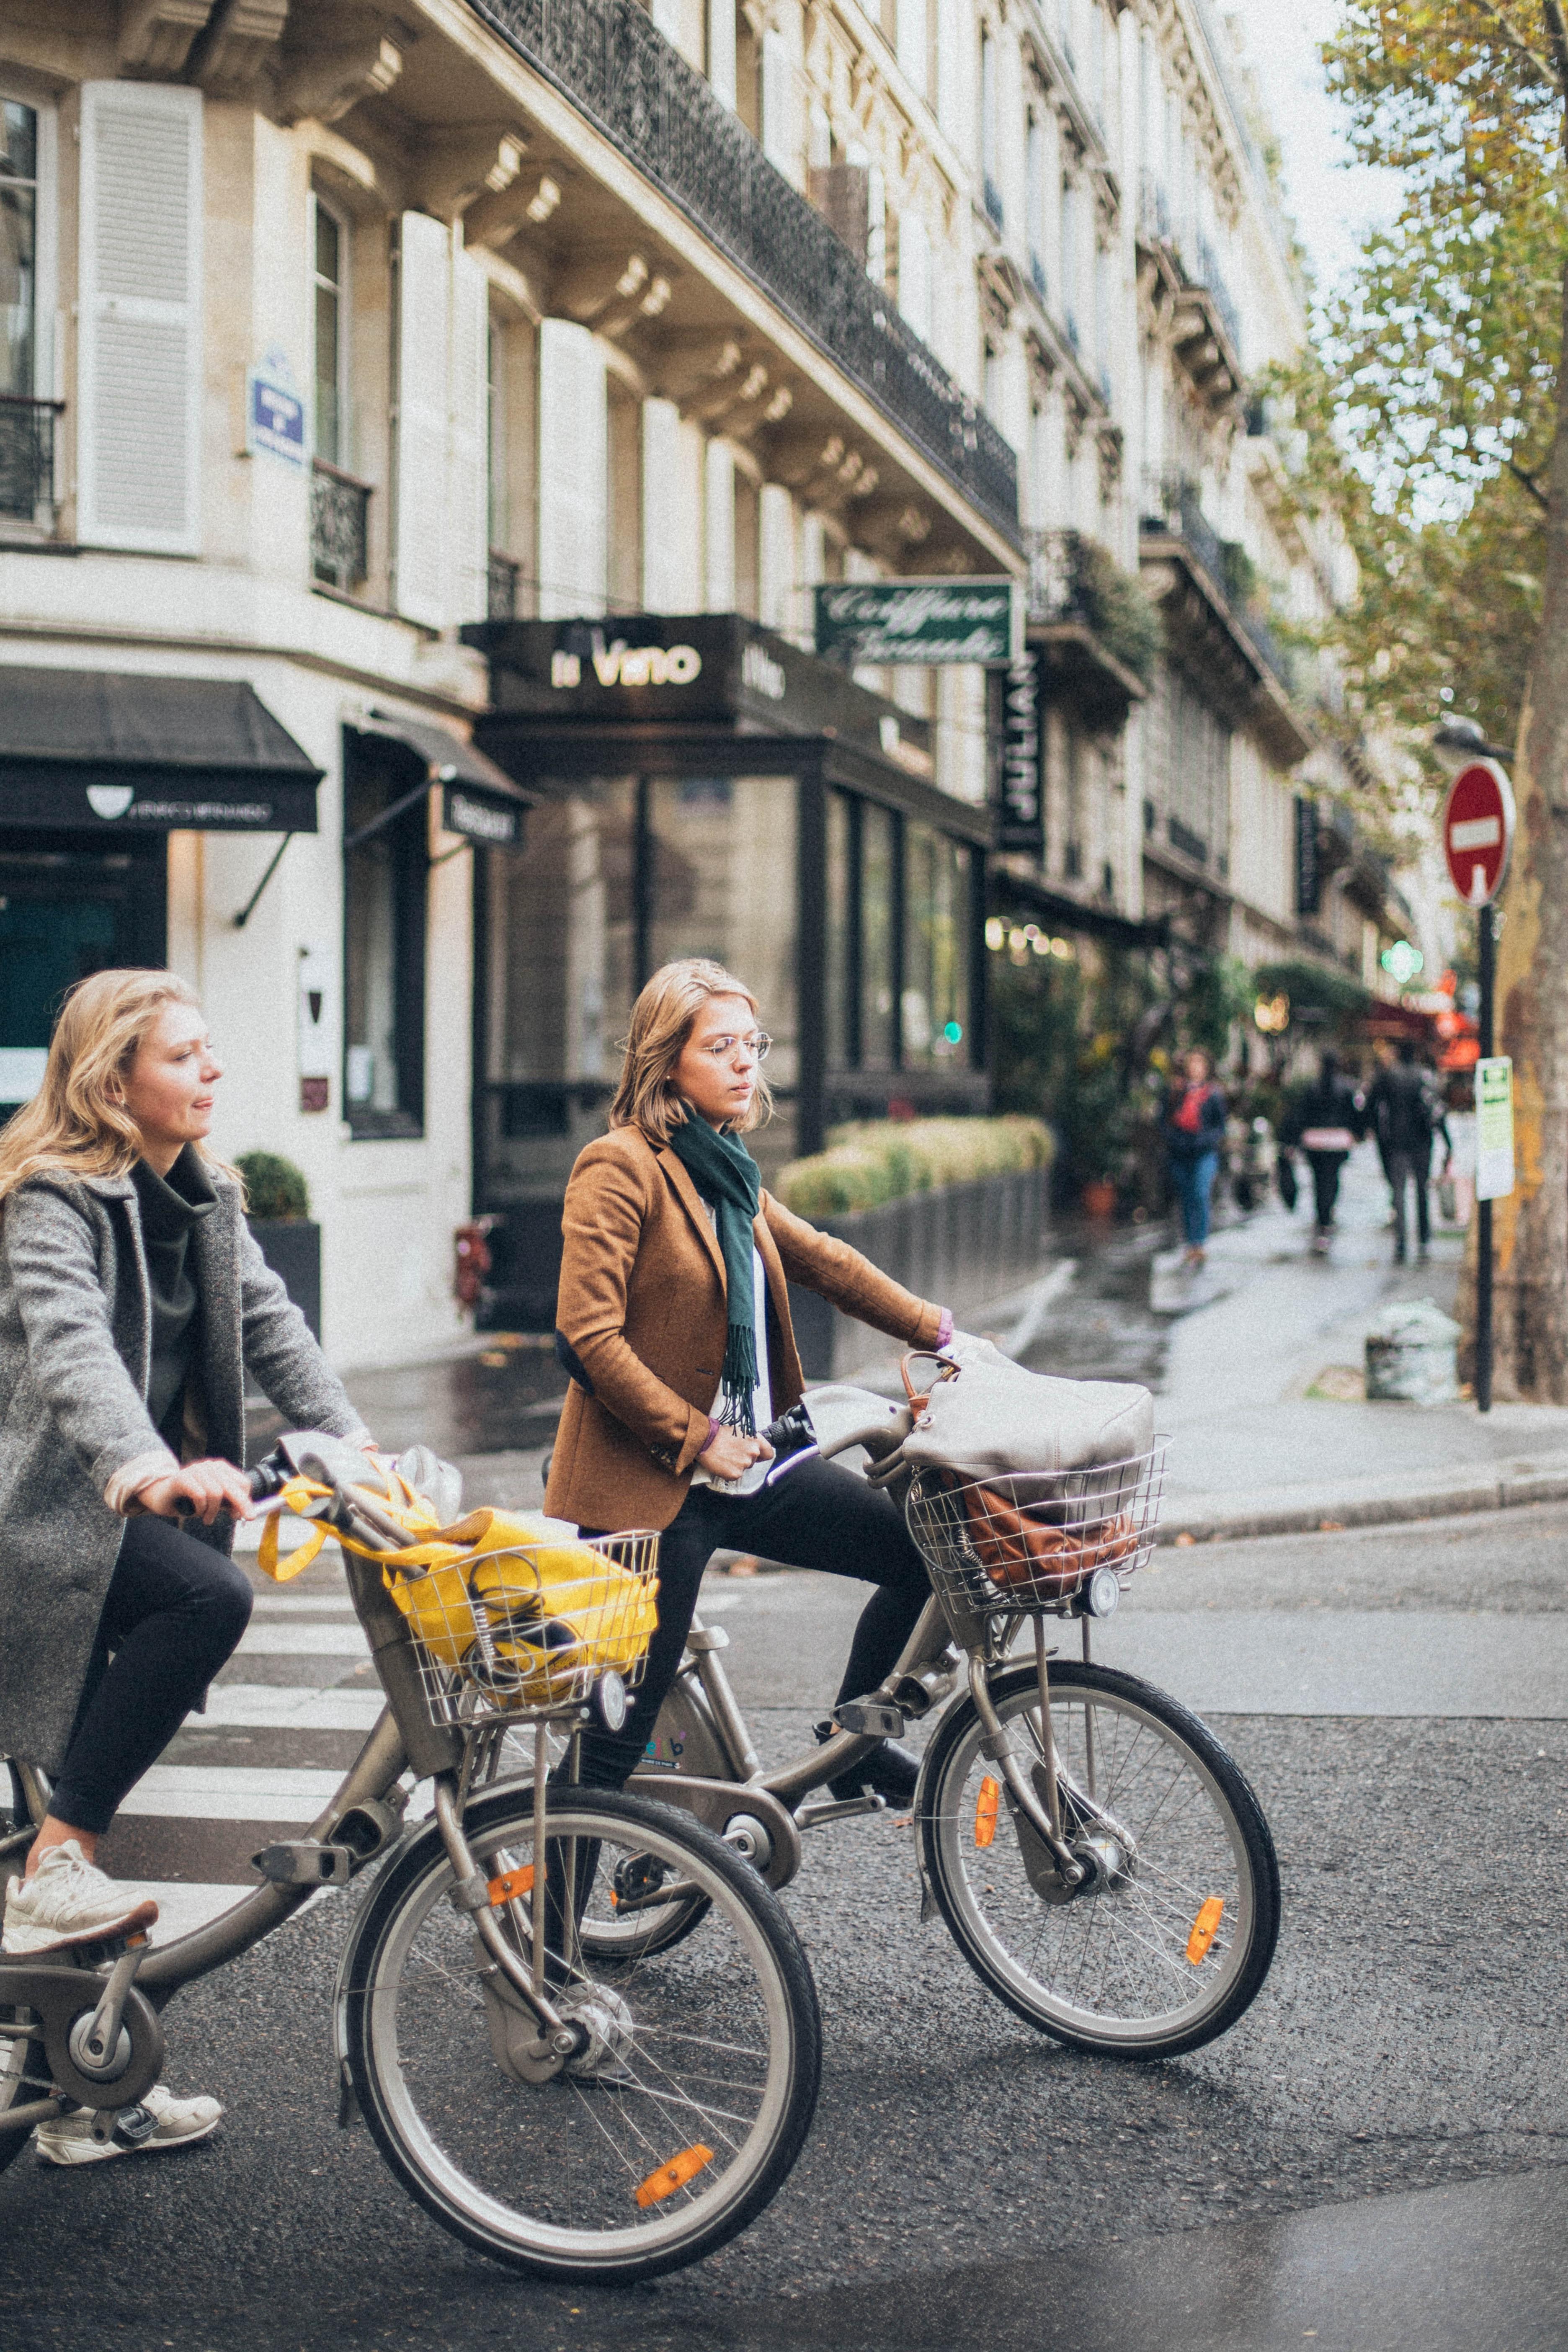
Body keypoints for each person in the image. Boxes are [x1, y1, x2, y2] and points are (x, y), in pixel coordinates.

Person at [0, 970, 374, 2164]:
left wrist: (359, 1455)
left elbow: (273, 1329)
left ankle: (85, 2096)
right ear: (116, 1084)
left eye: (213, 1052)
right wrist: (145, 1467)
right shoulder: (52, 1200)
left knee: (98, 1787)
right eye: (186, 1057)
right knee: (207, 1600)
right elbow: (69, 1349)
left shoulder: (207, 1200)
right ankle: (57, 1864)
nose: (212, 1072)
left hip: (116, 1517)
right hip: (48, 1518)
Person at [547, 957, 954, 1805]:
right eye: (721, 1046)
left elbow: (828, 1263)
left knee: (924, 1554)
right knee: (617, 1738)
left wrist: (947, 1335)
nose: (745, 1063)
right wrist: (696, 1437)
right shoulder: (618, 1167)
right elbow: (585, 1338)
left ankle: (857, 1742)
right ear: (668, 1062)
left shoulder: (729, 1174)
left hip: (755, 1467)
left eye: (752, 1045)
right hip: (651, 1487)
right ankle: (545, 1936)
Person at [1366, 1040, 1450, 1263]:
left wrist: (1374, 1131)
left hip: (1396, 1141)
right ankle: (1424, 1239)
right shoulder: (1425, 1076)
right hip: (1422, 1141)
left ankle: (1402, 1242)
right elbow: (1437, 1111)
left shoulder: (1388, 1076)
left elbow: (1371, 1105)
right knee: (1422, 1191)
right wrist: (1449, 1143)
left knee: (1399, 1192)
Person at [1281, 1050, 1363, 1254]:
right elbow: (1354, 1116)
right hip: (1337, 1142)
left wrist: (1295, 1139)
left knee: (1319, 1180)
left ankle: (1323, 1216)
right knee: (1332, 1179)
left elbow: (1301, 1115)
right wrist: (1355, 1135)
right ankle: (1326, 1215)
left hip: (1315, 1142)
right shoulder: (1346, 1088)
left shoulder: (1312, 1087)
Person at [1161, 1048, 1227, 1268]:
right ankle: (1190, 1243)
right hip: (1179, 1153)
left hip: (1204, 1153)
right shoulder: (1175, 1092)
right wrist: (1174, 1140)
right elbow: (1164, 1121)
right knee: (1186, 1197)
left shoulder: (1214, 1095)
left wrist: (1205, 1140)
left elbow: (1220, 1127)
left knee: (1200, 1193)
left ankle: (1199, 1243)